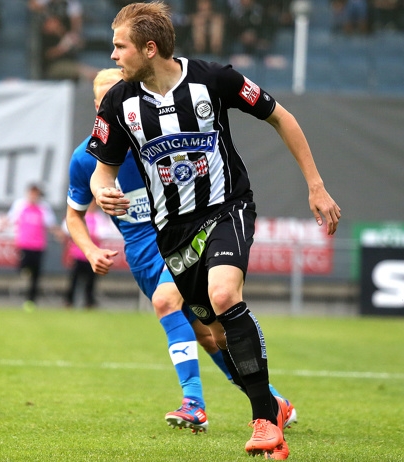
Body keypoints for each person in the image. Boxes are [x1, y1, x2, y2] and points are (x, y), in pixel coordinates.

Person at [88, 3, 340, 458]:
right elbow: (100, 171)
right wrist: (103, 190)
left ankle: (264, 421)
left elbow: (282, 117)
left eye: (119, 45)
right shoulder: (118, 103)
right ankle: (274, 408)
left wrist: (316, 186)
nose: (112, 55)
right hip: (172, 231)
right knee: (212, 331)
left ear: (149, 48)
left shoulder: (213, 79)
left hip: (227, 208)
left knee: (225, 297)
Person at [68, 68, 297, 435]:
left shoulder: (159, 135)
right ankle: (272, 402)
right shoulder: (85, 158)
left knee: (166, 301)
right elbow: (73, 215)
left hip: (180, 236)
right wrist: (90, 248)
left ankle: (194, 403)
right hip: (142, 254)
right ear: (100, 106)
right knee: (208, 336)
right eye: (104, 97)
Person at [7, 183, 62, 312]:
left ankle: (31, 301)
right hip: (24, 244)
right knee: (24, 265)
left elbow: (51, 224)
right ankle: (26, 271)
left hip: (38, 246)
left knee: (36, 276)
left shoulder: (44, 208)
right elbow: (8, 220)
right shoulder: (20, 205)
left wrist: (59, 234)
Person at [63, 202, 103, 309]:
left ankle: (89, 302)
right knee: (74, 280)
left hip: (92, 256)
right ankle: (69, 301)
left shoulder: (99, 218)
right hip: (78, 254)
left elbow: (103, 233)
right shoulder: (77, 215)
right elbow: (67, 229)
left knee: (91, 281)